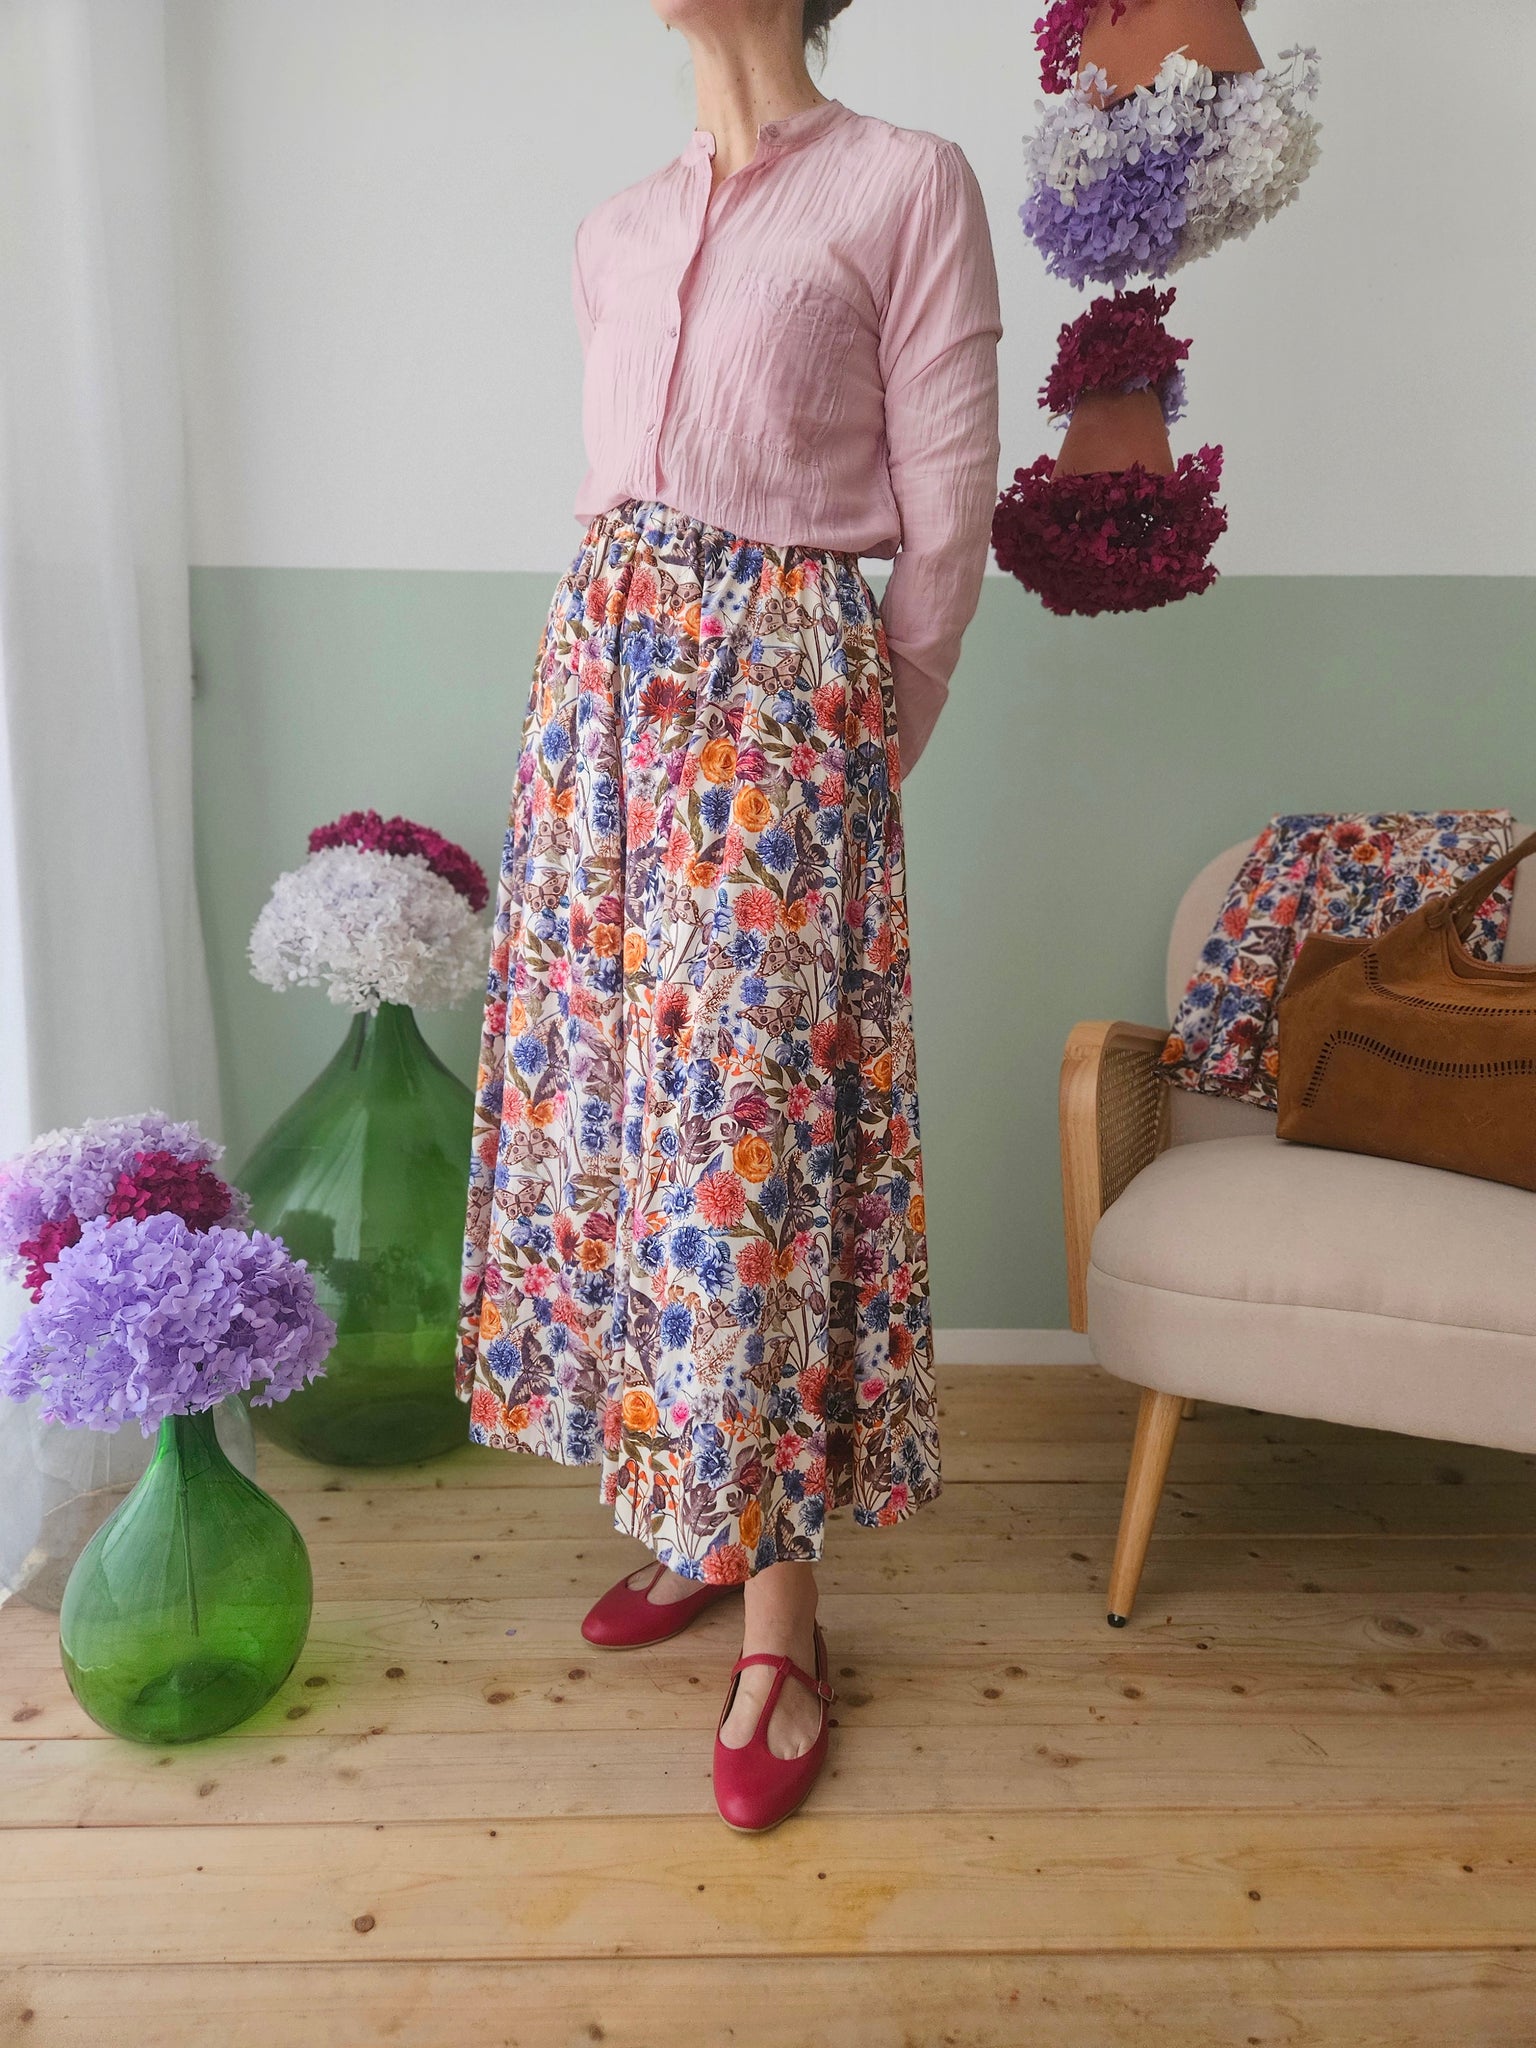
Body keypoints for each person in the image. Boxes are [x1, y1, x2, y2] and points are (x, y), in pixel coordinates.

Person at [457, 0, 1001, 1832]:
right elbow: (618, 498)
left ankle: (786, 1623)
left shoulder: (907, 184)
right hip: (601, 708)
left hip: (781, 713)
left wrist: (853, 741)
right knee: (631, 1131)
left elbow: (947, 512)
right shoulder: (615, 225)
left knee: (746, 1154)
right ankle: (700, 1515)